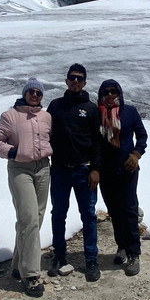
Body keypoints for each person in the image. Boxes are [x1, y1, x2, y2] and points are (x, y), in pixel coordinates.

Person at [0, 78, 52, 297]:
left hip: (43, 168)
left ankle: (18, 264)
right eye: (31, 91)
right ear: (25, 93)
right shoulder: (10, 116)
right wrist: (13, 152)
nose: (35, 95)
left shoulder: (46, 117)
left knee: (37, 216)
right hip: (19, 170)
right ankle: (31, 275)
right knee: (29, 219)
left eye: (39, 92)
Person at [47, 64, 102, 282]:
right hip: (59, 170)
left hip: (84, 170)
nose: (76, 81)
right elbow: (44, 133)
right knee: (58, 213)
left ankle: (91, 259)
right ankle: (59, 256)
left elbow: (98, 142)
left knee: (88, 215)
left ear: (85, 82)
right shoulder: (55, 106)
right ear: (66, 80)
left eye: (80, 78)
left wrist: (96, 169)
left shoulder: (90, 109)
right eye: (72, 78)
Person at [96, 78, 148, 276]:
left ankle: (134, 253)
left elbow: (142, 136)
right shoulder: (97, 114)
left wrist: (136, 154)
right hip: (106, 172)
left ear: (119, 93)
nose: (110, 95)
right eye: (106, 92)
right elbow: (95, 144)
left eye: (113, 91)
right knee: (114, 212)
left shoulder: (130, 112)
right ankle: (122, 247)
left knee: (129, 210)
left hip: (127, 170)